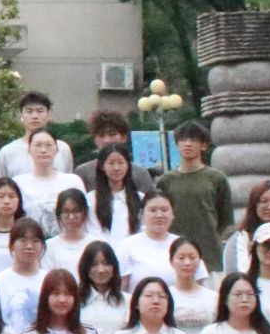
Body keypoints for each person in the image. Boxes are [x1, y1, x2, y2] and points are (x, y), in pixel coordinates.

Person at [158, 121, 232, 272]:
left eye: (193, 140)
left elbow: (226, 220)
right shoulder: (165, 181)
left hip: (210, 258)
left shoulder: (217, 178)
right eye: (183, 140)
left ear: (204, 145)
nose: (188, 144)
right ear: (177, 144)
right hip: (175, 256)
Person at [12, 128, 86, 228]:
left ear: (56, 149)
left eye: (49, 145)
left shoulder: (73, 181)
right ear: (29, 150)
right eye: (38, 145)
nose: (43, 150)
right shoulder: (18, 183)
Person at [0, 91, 73, 179]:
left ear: (48, 115)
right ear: (21, 116)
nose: (34, 116)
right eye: (29, 111)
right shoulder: (7, 152)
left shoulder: (63, 149)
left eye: (40, 111)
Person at [73, 111, 157, 196]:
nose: (106, 140)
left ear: (124, 137)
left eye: (112, 134)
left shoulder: (139, 173)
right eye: (101, 135)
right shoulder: (83, 172)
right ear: (94, 139)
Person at [0, 219, 50, 329]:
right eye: (23, 240)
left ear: (42, 245)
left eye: (36, 241)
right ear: (12, 245)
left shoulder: (49, 280)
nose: (29, 246)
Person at [83, 141, 146, 244]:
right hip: (103, 251)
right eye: (111, 163)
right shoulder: (91, 199)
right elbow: (93, 231)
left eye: (121, 162)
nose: (116, 168)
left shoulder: (140, 198)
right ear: (102, 166)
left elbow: (143, 230)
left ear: (128, 165)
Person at [118, 191, 180, 290]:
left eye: (164, 210)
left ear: (173, 214)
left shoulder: (182, 245)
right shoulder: (127, 245)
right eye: (153, 210)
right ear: (142, 214)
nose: (159, 215)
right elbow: (122, 288)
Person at [75, 241, 126, 334]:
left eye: (106, 263)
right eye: (94, 264)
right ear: (85, 268)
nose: (101, 270)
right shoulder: (75, 302)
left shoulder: (128, 301)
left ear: (114, 267)